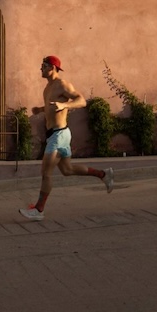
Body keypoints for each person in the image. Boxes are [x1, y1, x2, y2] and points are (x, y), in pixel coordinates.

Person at [19, 55, 113, 219]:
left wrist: (65, 105)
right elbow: (52, 106)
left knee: (46, 172)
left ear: (53, 68)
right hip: (56, 135)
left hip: (59, 134)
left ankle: (39, 210)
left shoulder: (62, 84)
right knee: (67, 170)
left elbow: (81, 101)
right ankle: (103, 175)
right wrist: (40, 110)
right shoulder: (47, 88)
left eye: (44, 65)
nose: (40, 68)